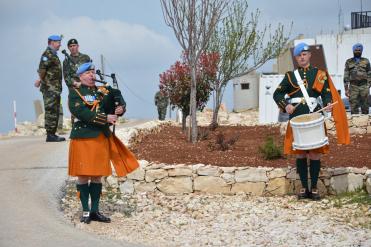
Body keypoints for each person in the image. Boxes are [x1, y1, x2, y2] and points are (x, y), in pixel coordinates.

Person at [273, 43, 350, 200]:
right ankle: (303, 187)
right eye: (299, 55)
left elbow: (326, 94)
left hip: (315, 116)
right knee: (300, 153)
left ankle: (314, 188)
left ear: (309, 55)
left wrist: (328, 104)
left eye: (305, 54)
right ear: (296, 58)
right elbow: (277, 94)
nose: (302, 57)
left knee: (314, 153)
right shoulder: (290, 76)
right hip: (297, 118)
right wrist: (286, 105)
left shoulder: (320, 74)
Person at [68, 62, 139, 224]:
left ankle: (95, 211)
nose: (92, 75)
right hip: (83, 137)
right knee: (83, 175)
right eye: (88, 73)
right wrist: (105, 118)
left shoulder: (102, 91)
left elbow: (115, 96)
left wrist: (121, 107)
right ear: (81, 76)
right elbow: (80, 112)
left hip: (100, 136)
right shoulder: (76, 93)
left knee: (97, 175)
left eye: (93, 72)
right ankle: (86, 211)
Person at [34, 35, 66, 142]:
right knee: (51, 110)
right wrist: (40, 80)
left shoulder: (53, 54)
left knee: (55, 110)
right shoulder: (47, 54)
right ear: (52, 42)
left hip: (54, 88)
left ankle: (52, 133)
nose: (60, 44)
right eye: (58, 42)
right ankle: (50, 134)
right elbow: (42, 69)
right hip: (49, 88)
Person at [343, 43, 371, 114]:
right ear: (353, 51)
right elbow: (346, 75)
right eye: (356, 50)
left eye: (359, 50)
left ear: (361, 51)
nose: (357, 51)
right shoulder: (349, 61)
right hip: (353, 87)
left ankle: (365, 124)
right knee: (353, 107)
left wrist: (368, 86)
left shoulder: (366, 61)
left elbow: (369, 73)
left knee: (365, 107)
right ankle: (355, 124)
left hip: (364, 86)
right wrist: (346, 89)